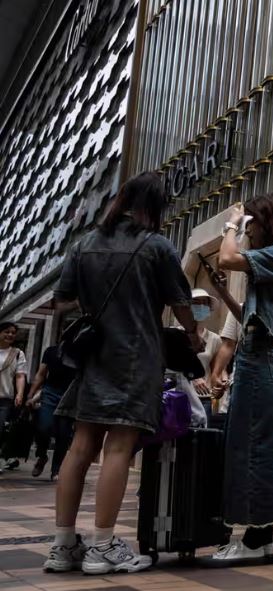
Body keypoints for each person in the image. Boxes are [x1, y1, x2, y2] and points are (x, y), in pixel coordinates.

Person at [45, 172, 201, 575]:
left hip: (94, 356)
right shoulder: (156, 246)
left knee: (80, 447)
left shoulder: (84, 245)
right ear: (155, 205)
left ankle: (63, 546)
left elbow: (61, 302)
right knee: (117, 447)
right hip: (136, 357)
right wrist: (192, 334)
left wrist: (97, 308)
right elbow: (182, 302)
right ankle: (101, 545)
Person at [206, 194, 273, 564]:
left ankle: (252, 539)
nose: (248, 231)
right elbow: (249, 314)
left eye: (252, 224)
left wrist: (231, 225)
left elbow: (226, 257)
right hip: (263, 361)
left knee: (254, 447)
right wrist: (220, 291)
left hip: (261, 363)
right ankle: (261, 538)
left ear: (263, 221)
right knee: (263, 445)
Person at [25, 344, 77, 480]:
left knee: (64, 434)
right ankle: (42, 456)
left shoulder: (81, 351)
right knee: (43, 427)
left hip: (71, 395)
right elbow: (41, 374)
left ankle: (56, 470)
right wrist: (31, 395)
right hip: (50, 393)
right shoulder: (51, 351)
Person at [187, 288, 223, 420]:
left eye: (204, 303)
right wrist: (193, 377)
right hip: (180, 395)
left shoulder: (215, 339)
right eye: (196, 302)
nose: (201, 306)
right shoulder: (175, 334)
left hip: (203, 398)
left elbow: (217, 371)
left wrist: (220, 385)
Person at [0, 321, 28, 473]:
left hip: (4, 398)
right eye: (6, 331)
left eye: (13, 332)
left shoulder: (17, 353)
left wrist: (20, 393)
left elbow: (20, 376)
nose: (10, 335)